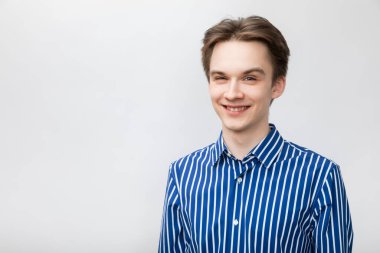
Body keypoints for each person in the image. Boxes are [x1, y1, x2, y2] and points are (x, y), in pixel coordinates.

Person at [158, 15, 353, 252]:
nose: (232, 93)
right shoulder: (182, 174)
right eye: (220, 77)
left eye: (249, 78)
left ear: (277, 85)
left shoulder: (320, 177)